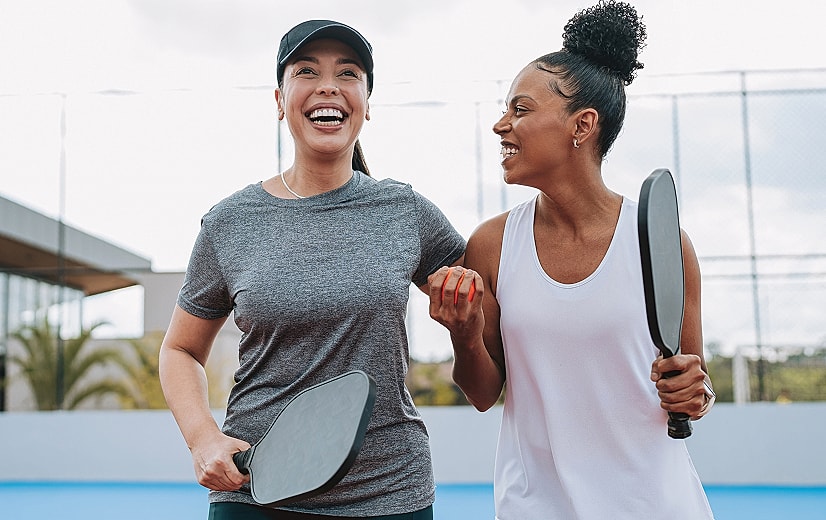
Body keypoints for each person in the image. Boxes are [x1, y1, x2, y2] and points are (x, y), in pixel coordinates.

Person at [159, 19, 465, 520]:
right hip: (255, 491)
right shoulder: (230, 222)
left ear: (366, 103)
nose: (328, 86)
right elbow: (180, 350)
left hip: (389, 493)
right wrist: (203, 439)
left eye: (348, 73)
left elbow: (491, 298)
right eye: (306, 71)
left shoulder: (406, 211)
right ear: (280, 101)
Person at [428, 1, 716, 518]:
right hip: (534, 507)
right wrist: (464, 333)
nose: (500, 125)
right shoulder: (492, 244)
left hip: (655, 505)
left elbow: (694, 386)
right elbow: (482, 393)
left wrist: (696, 392)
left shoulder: (664, 243)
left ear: (582, 125)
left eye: (520, 109)